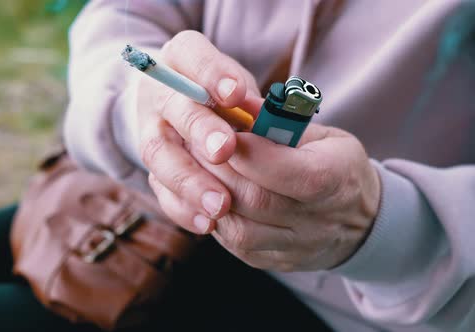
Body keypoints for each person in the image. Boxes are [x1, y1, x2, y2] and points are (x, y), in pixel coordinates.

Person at [63, 0, 475, 331]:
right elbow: (121, 16)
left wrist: (383, 224)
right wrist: (139, 111)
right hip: (152, 215)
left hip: (353, 302)